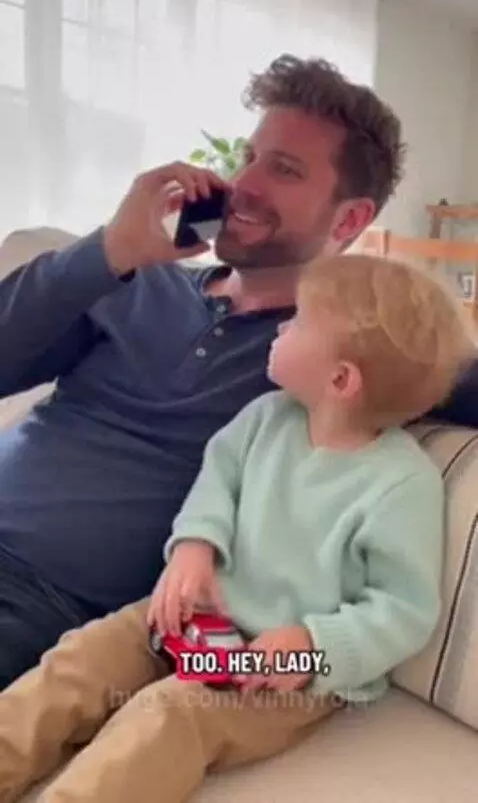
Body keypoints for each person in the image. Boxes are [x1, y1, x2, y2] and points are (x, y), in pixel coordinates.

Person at [0, 54, 477, 690]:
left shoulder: (343, 357)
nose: (243, 184)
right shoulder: (137, 280)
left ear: (351, 220)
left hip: (42, 606)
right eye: (248, 158)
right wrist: (107, 249)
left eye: (283, 169)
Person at [0, 251, 473, 803]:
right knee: (78, 663)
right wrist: (195, 547)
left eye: (296, 322)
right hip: (194, 617)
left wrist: (312, 645)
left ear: (341, 379)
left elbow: (402, 610)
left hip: (287, 670)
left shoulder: (401, 485)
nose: (280, 328)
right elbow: (214, 489)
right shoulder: (266, 418)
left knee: (169, 716)